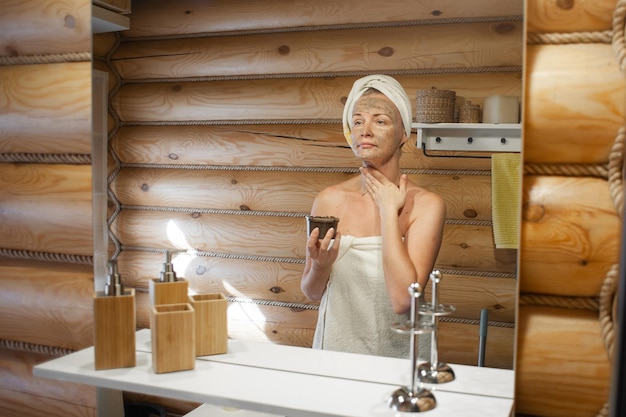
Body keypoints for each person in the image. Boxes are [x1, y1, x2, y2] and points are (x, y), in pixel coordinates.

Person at [301, 74, 446, 359]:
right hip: (337, 353)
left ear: (404, 133)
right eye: (357, 121)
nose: (365, 130)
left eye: (380, 121)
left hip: (401, 355)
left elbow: (404, 300)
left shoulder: (427, 205)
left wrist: (388, 211)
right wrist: (320, 267)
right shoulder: (328, 200)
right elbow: (312, 292)